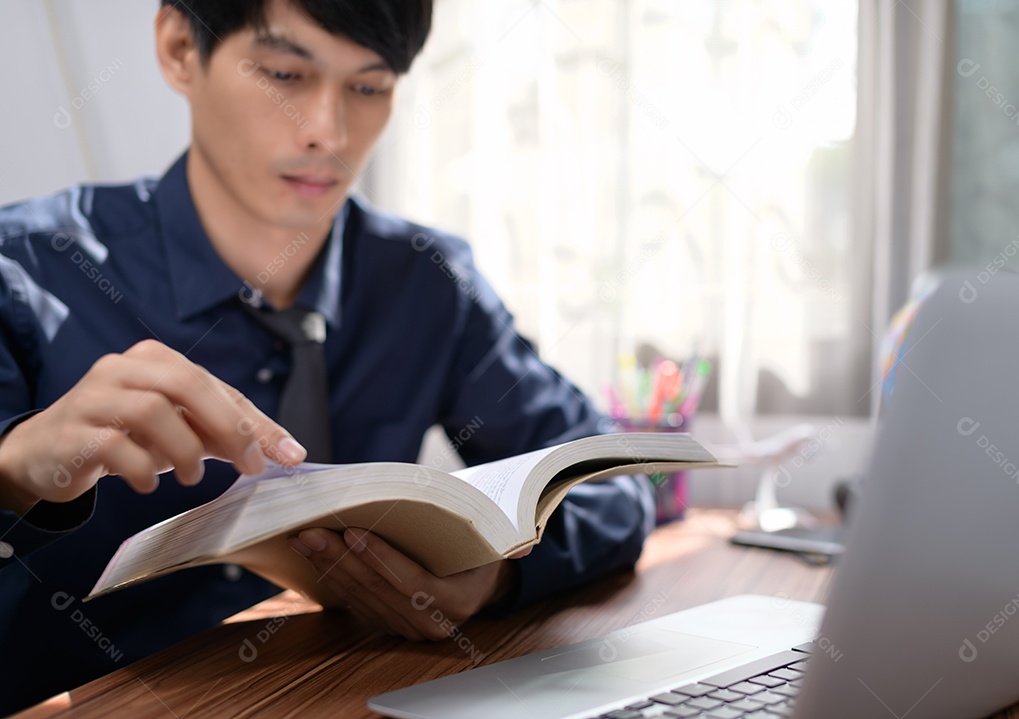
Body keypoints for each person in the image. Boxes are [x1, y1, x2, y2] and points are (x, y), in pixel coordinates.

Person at [0, 0, 655, 713]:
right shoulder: (26, 268)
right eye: (286, 75)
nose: (329, 132)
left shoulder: (427, 282)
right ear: (181, 47)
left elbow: (613, 483)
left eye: (368, 87)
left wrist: (497, 577)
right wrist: (14, 469)